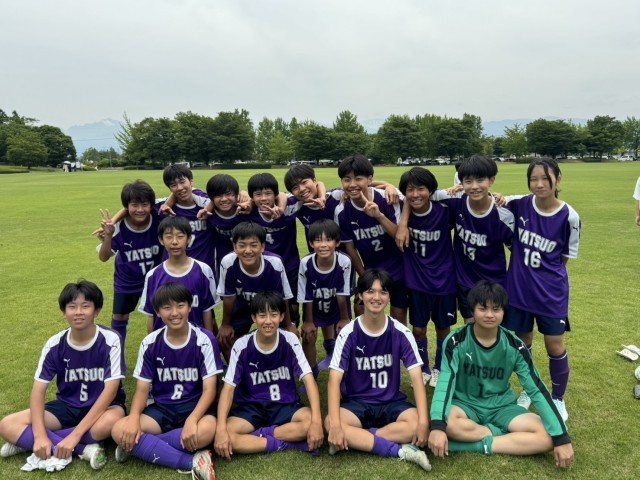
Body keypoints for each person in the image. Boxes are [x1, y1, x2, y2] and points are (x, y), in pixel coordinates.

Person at [428, 281, 574, 469]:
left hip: (502, 408)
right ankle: (502, 436)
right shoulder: (456, 341)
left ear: (504, 312)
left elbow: (536, 389)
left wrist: (561, 437)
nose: (489, 315)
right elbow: (445, 384)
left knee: (549, 435)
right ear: (472, 309)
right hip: (465, 405)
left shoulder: (515, 345)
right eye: (483, 308)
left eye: (496, 309)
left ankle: (479, 443)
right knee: (445, 423)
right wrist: (438, 426)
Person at [0, 281, 126, 470]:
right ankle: (83, 449)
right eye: (72, 307)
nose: (78, 312)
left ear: (97, 311)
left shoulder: (111, 340)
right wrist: (39, 436)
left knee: (110, 423)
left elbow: (111, 390)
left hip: (104, 408)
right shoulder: (54, 344)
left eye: (85, 306)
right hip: (67, 407)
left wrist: (74, 436)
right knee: (7, 424)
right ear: (64, 312)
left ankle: (25, 441)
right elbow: (38, 390)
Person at [111, 283, 222, 479]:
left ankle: (141, 445)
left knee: (206, 432)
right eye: (167, 307)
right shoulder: (150, 342)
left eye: (180, 306)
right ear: (157, 312)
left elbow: (210, 390)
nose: (175, 313)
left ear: (189, 307)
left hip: (196, 408)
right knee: (119, 430)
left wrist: (192, 419)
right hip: (162, 410)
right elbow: (142, 390)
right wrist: (134, 419)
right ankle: (192, 461)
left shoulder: (204, 340)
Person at [325, 269, 431, 472]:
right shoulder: (348, 333)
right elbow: (334, 380)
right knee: (331, 422)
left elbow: (417, 378)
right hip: (357, 403)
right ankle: (399, 451)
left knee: (417, 422)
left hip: (391, 402)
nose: (376, 297)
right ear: (360, 295)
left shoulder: (401, 332)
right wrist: (337, 427)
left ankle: (358, 438)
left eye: (383, 292)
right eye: (370, 291)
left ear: (389, 297)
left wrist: (424, 423)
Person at [501, 158, 581, 421]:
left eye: (545, 178)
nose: (539, 184)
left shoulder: (570, 216)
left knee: (554, 345)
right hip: (519, 291)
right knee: (523, 343)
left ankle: (558, 398)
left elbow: (564, 258)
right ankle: (530, 388)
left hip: (550, 293)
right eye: (533, 179)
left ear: (558, 179)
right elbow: (492, 199)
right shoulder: (519, 204)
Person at [397, 155, 514, 325]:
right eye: (468, 181)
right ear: (461, 183)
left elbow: (516, 251)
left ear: (491, 180)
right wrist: (403, 223)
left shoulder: (503, 213)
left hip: (494, 281)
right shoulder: (455, 198)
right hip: (465, 281)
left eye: (480, 180)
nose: (474, 186)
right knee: (471, 328)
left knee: (493, 328)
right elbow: (415, 196)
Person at [214, 291, 324, 459]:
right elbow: (228, 389)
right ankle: (286, 444)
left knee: (310, 421)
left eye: (273, 315)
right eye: (262, 315)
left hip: (284, 405)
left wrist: (316, 422)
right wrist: (221, 429)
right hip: (251, 408)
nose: (268, 321)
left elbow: (308, 380)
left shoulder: (290, 340)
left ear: (281, 317)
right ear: (253, 318)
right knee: (226, 432)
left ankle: (259, 435)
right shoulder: (242, 345)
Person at [397, 167, 457, 388]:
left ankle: (440, 367)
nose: (415, 194)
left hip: (445, 280)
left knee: (443, 327)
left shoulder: (445, 210)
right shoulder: (402, 211)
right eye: (410, 190)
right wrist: (403, 222)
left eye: (421, 189)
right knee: (418, 329)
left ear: (430, 190)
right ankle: (422, 368)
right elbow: (379, 187)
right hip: (417, 281)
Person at [334, 154, 408, 324]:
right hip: (370, 269)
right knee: (361, 308)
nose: (352, 184)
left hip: (398, 269)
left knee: (398, 315)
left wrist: (379, 216)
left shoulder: (388, 198)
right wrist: (364, 275)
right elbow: (350, 248)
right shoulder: (342, 210)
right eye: (347, 180)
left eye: (358, 179)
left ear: (370, 179)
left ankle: (397, 342)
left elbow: (399, 237)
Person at [216, 222, 296, 361]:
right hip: (242, 308)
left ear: (262, 247)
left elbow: (283, 298)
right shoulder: (228, 262)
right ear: (234, 247)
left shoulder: (275, 263)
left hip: (268, 309)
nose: (248, 251)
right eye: (242, 245)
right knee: (226, 338)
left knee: (288, 336)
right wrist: (226, 325)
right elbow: (229, 297)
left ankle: (275, 364)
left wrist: (288, 325)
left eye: (254, 245)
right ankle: (239, 369)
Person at [97, 180, 162, 347]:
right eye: (134, 205)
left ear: (151, 205)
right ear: (127, 206)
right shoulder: (118, 227)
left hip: (156, 279)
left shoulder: (159, 215)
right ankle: (116, 356)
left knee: (160, 314)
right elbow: (103, 257)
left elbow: (175, 196)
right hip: (127, 281)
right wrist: (108, 236)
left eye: (144, 204)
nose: (140, 209)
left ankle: (158, 351)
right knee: (120, 317)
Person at [138, 216, 220, 335]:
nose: (175, 242)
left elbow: (207, 311)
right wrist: (152, 342)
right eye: (169, 237)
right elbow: (151, 315)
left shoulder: (203, 270)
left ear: (189, 239)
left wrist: (209, 340)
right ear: (161, 240)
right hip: (165, 341)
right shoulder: (153, 275)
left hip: (196, 340)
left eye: (180, 236)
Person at [247, 173, 303, 327]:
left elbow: (316, 187)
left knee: (292, 307)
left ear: (275, 195)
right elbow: (237, 197)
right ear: (252, 197)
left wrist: (282, 205)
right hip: (264, 268)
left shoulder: (289, 207)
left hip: (290, 265)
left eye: (268, 193)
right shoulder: (248, 212)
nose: (264, 198)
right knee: (266, 306)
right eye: (258, 194)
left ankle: (292, 327)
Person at [298, 219, 352, 374]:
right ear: (311, 243)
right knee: (308, 335)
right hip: (314, 308)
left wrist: (344, 318)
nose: (323, 245)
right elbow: (306, 296)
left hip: (337, 308)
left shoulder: (344, 261)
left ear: (337, 242)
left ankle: (344, 375)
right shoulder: (306, 263)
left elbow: (342, 293)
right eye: (318, 240)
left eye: (328, 240)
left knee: (345, 335)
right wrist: (308, 321)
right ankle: (312, 374)